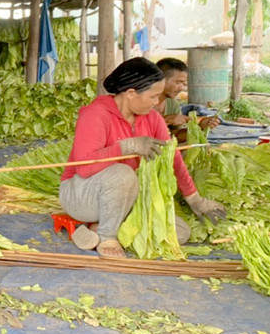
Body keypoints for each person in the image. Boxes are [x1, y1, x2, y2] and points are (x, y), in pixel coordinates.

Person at [59, 57, 227, 258]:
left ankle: (93, 229)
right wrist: (127, 147)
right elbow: (84, 168)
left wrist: (195, 199)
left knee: (179, 233)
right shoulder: (95, 114)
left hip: (126, 196)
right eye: (153, 96)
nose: (157, 102)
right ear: (131, 93)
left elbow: (171, 157)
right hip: (82, 194)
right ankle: (107, 236)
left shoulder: (152, 118)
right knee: (123, 173)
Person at [154, 58, 221, 139]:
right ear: (160, 79)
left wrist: (200, 127)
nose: (181, 88)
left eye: (183, 83)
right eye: (178, 82)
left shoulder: (172, 104)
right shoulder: (142, 102)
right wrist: (164, 120)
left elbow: (175, 136)